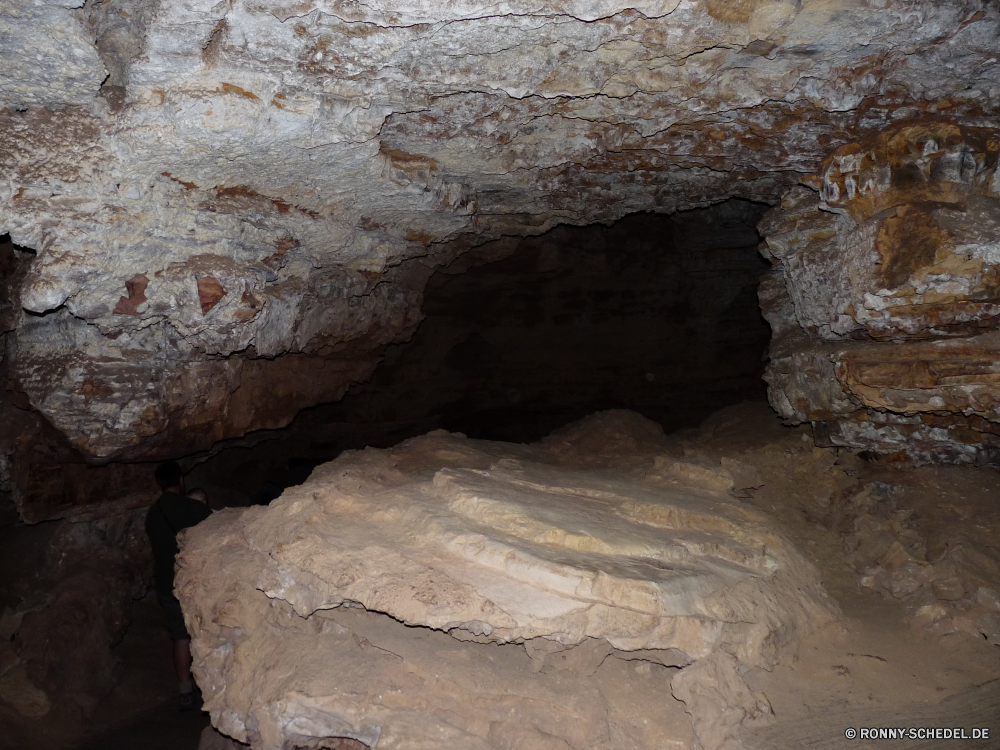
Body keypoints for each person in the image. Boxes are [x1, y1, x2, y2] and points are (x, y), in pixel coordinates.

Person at [145, 461, 211, 711]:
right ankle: (211, 685)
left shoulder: (153, 513)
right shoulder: (191, 507)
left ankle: (185, 690)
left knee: (180, 636)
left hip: (165, 583)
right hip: (192, 582)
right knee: (204, 632)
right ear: (181, 480)